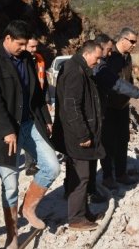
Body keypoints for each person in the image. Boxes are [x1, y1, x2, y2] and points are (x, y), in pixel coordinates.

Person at [0, 20, 60, 248]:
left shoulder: (26, 58)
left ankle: (29, 207)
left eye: (26, 44)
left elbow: (36, 94)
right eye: (20, 44)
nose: (24, 48)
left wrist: (46, 119)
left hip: (30, 124)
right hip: (5, 131)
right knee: (11, 185)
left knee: (52, 166)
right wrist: (7, 130)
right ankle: (11, 235)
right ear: (7, 38)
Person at [90, 33, 139, 195]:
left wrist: (129, 95)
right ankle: (107, 177)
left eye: (136, 42)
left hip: (123, 107)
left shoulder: (127, 58)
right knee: (107, 142)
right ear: (122, 39)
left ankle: (120, 174)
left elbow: (128, 80)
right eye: (132, 41)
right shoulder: (108, 58)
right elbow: (115, 83)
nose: (134, 44)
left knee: (123, 140)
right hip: (108, 108)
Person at [52, 41, 105, 231]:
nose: (98, 62)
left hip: (81, 133)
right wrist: (83, 135)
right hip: (77, 135)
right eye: (97, 58)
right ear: (86, 53)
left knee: (84, 175)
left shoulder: (80, 68)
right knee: (81, 177)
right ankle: (76, 219)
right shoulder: (75, 72)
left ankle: (84, 212)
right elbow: (72, 107)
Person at [23, 37, 50, 176]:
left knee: (39, 132)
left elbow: (43, 82)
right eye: (31, 47)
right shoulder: (21, 62)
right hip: (25, 104)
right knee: (29, 133)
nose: (34, 50)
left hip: (38, 100)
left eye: (36, 47)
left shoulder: (39, 60)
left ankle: (35, 160)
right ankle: (30, 164)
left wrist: (47, 99)